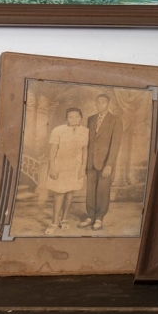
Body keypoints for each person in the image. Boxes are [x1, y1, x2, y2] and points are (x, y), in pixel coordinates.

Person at [78, 94, 123, 232]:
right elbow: (88, 142)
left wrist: (109, 165)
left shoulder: (115, 120)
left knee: (102, 191)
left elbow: (115, 144)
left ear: (108, 104)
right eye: (98, 102)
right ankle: (90, 216)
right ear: (96, 104)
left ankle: (99, 218)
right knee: (90, 190)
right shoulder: (91, 119)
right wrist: (85, 163)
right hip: (91, 162)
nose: (100, 104)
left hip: (105, 163)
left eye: (103, 102)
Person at [45, 108, 89, 235]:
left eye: (76, 116)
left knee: (70, 191)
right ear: (67, 118)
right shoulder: (58, 130)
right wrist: (52, 167)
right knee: (59, 192)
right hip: (60, 165)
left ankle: (64, 219)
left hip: (75, 166)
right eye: (70, 117)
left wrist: (83, 167)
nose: (74, 119)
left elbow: (85, 150)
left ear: (81, 117)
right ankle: (54, 222)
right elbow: (52, 150)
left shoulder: (85, 131)